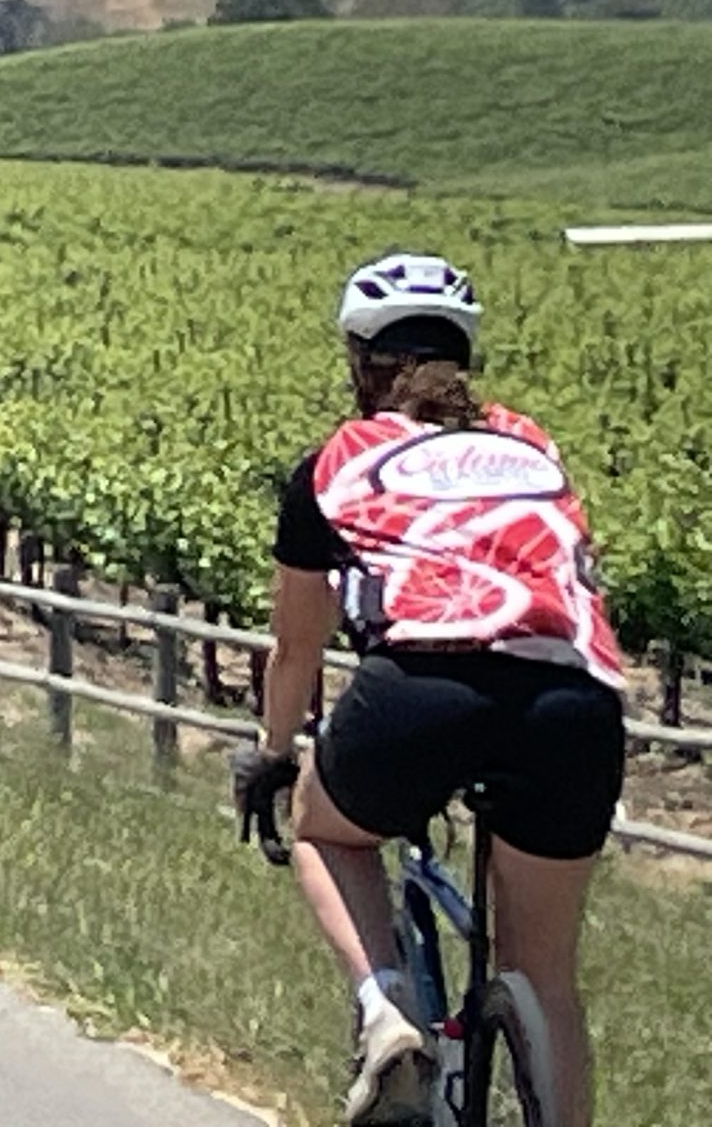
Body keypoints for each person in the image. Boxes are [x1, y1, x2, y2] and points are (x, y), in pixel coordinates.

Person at [231, 253, 625, 1127]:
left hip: (420, 687)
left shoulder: (338, 460)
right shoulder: (531, 444)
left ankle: (388, 1019)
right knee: (547, 977)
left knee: (324, 831)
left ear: (361, 360)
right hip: (573, 702)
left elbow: (296, 648)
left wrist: (271, 756)